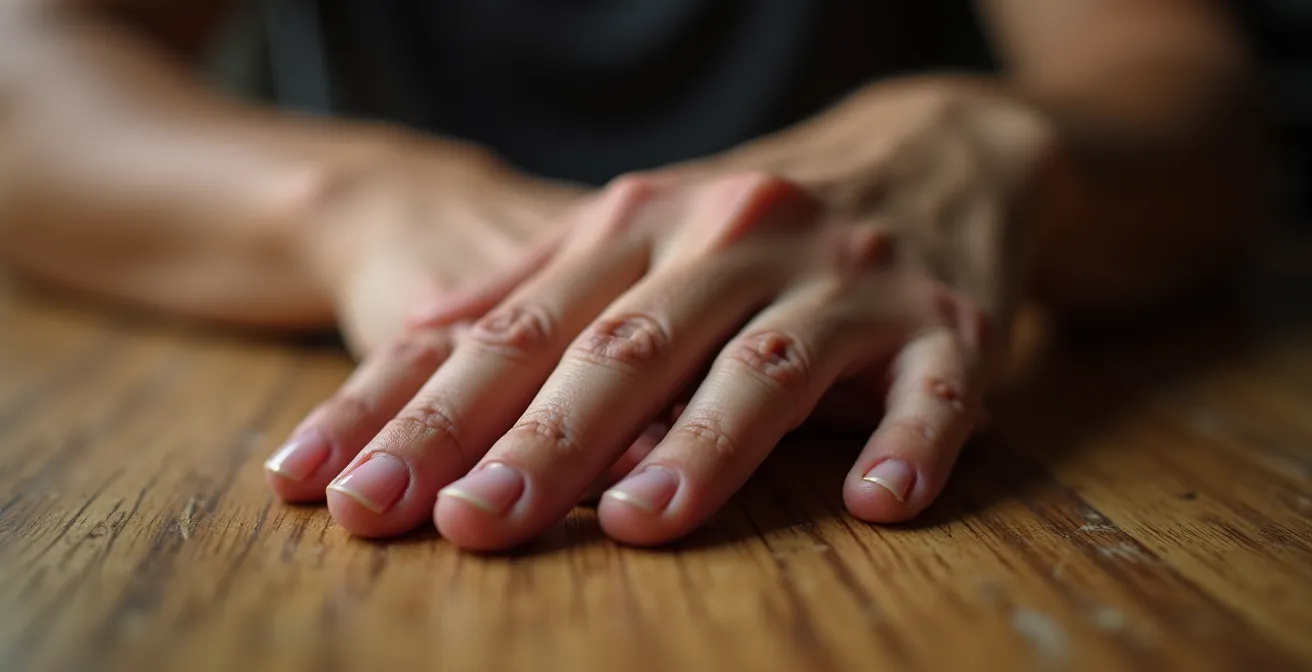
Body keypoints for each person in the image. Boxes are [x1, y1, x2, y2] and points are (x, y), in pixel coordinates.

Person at [0, 0, 1265, 550]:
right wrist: (353, 203)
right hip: (462, 324)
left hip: (875, 350)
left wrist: (984, 142)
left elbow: (1189, 92)